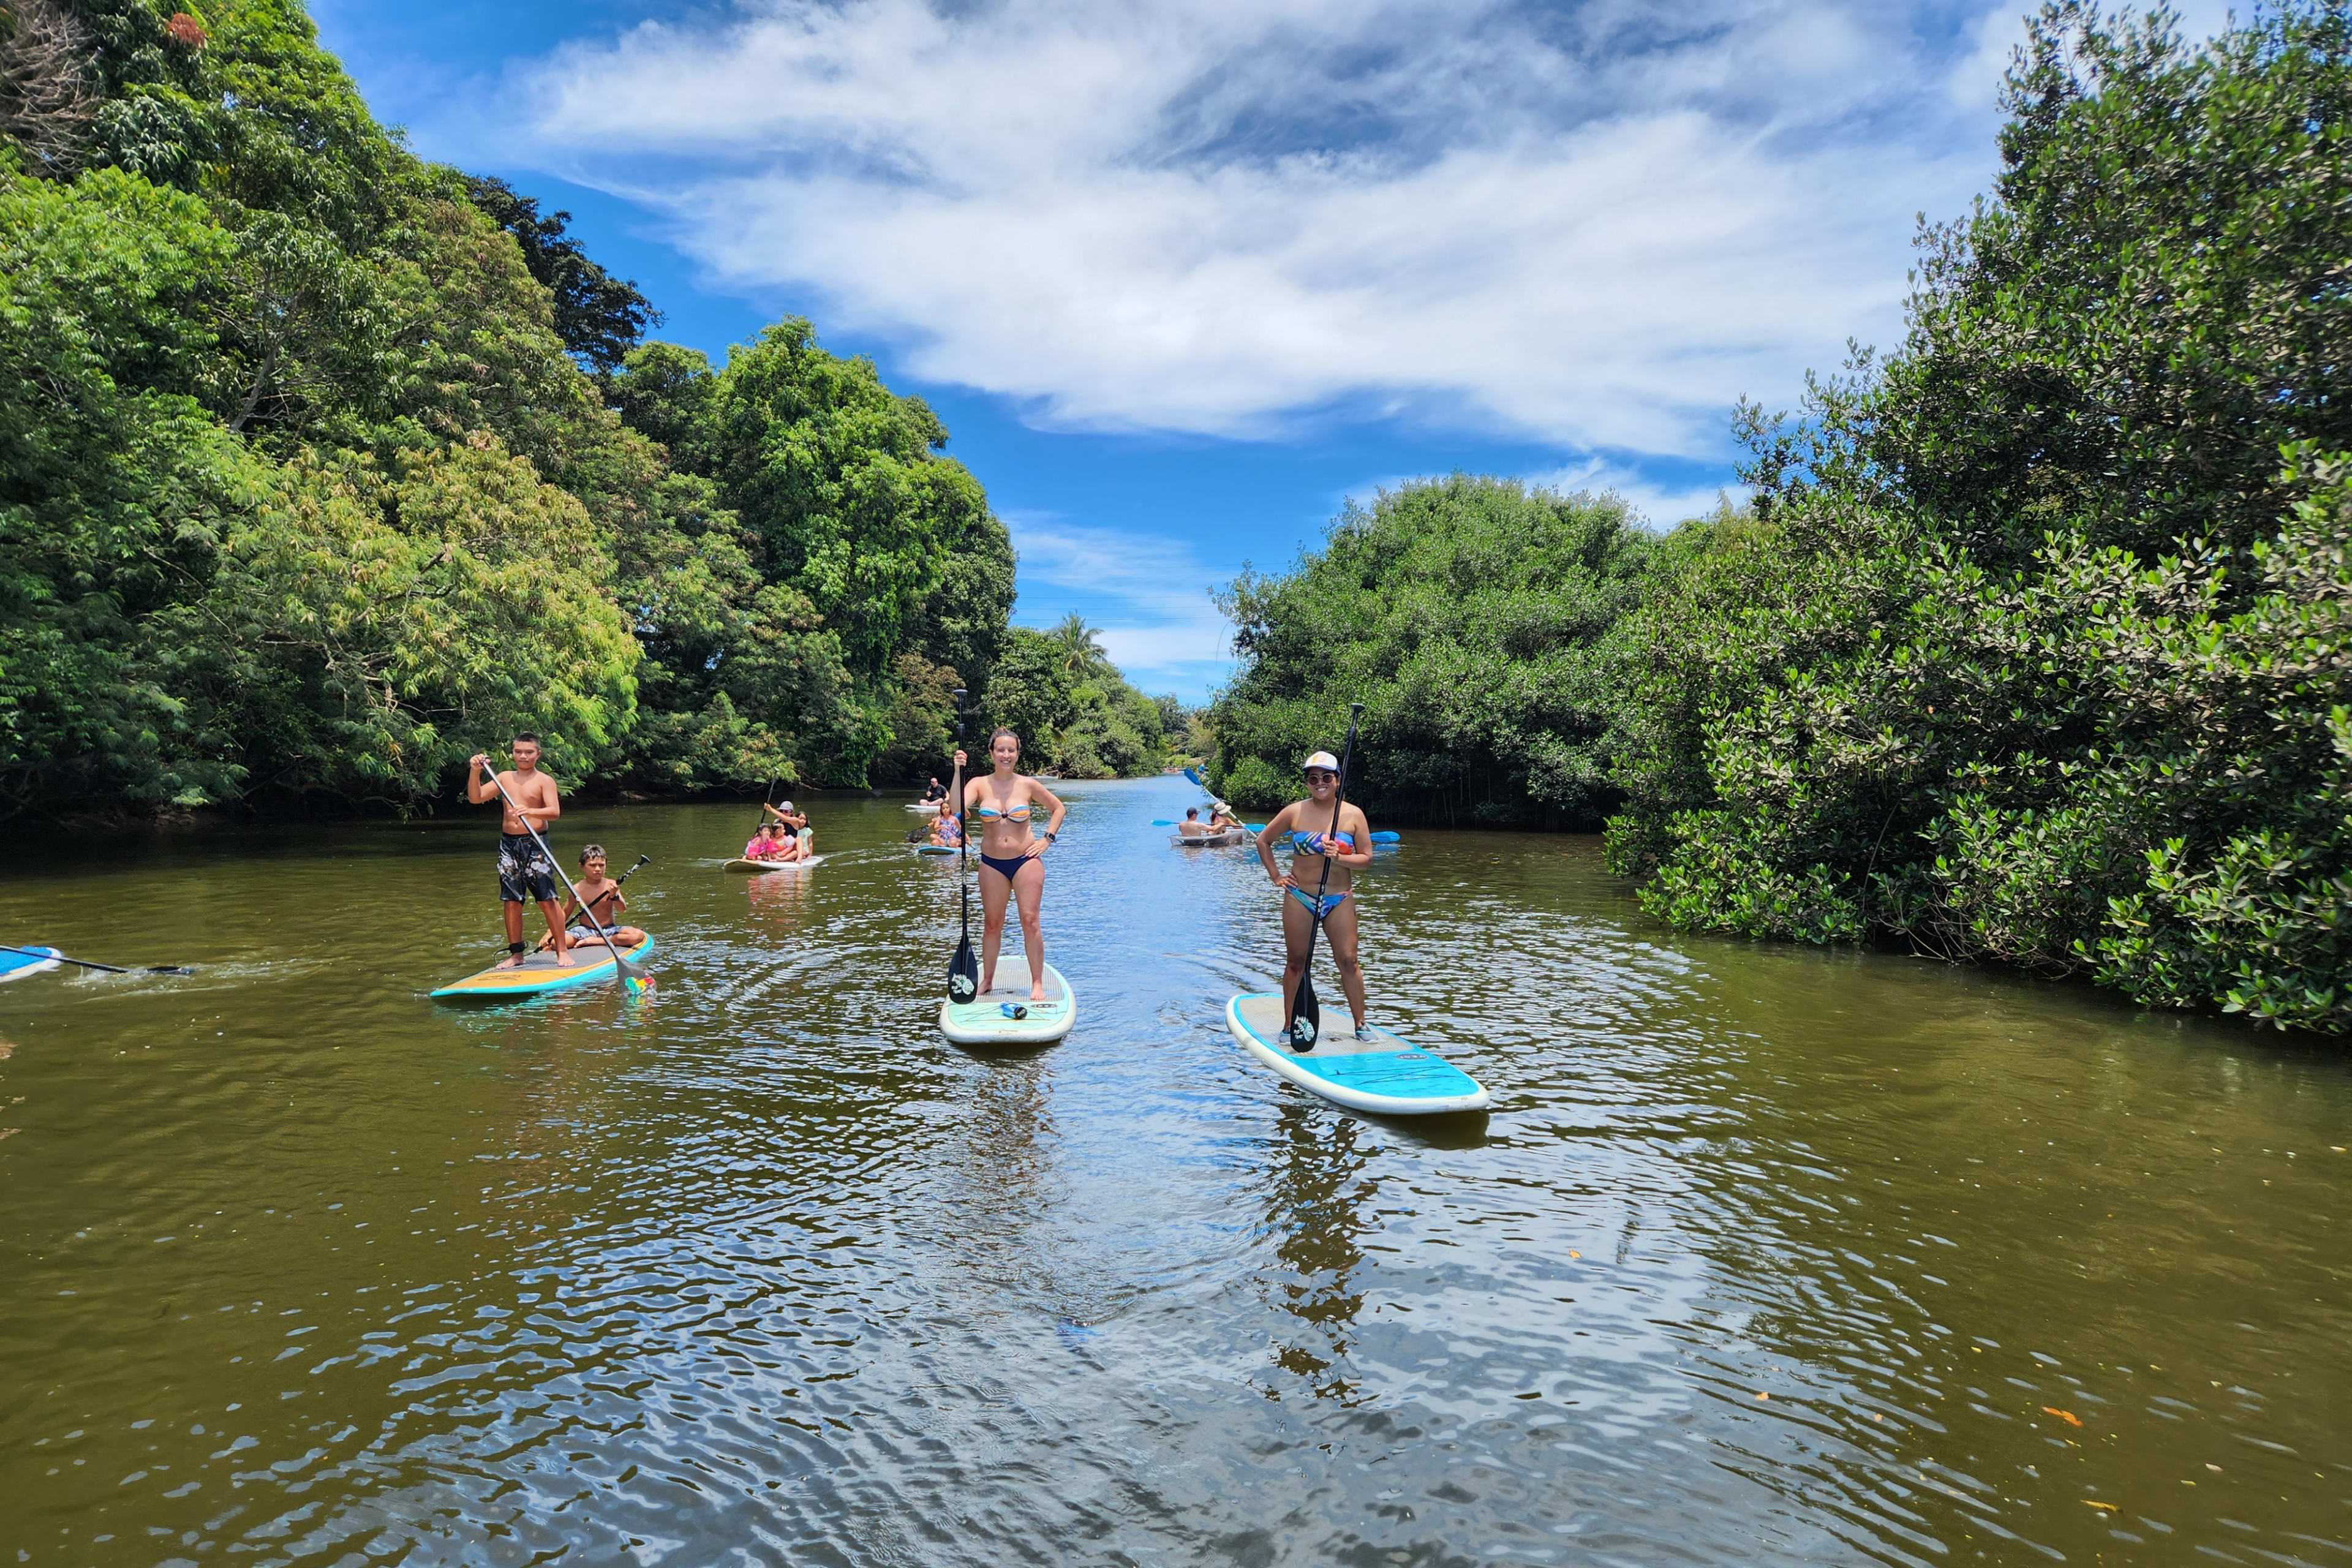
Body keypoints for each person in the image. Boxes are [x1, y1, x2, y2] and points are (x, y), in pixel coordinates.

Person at [1254, 748, 1374, 1042]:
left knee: (1348, 961)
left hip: (1339, 899)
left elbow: (1367, 858)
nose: (1320, 782)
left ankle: (1360, 1024)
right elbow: (1263, 840)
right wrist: (1276, 876)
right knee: (1296, 962)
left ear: (1337, 779)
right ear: (1307, 782)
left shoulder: (1353, 814)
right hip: (1300, 897)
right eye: (1312, 778)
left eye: (1326, 777)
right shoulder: (1295, 811)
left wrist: (1342, 858)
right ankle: (1289, 1025)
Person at [953, 729, 1067, 1001]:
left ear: (1017, 753)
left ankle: (1037, 983)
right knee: (993, 924)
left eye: (1011, 750)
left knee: (1030, 921)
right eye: (1001, 750)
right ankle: (988, 980)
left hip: (1026, 861)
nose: (1006, 755)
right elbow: (955, 806)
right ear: (991, 753)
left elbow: (1058, 808)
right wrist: (958, 771)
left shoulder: (1027, 784)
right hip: (992, 864)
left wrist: (1047, 840)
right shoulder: (979, 784)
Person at [467, 733, 570, 969]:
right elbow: (476, 798)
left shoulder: (545, 780)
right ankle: (516, 954)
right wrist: (475, 771)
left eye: (529, 752)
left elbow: (554, 813)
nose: (523, 756)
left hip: (536, 844)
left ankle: (562, 951)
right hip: (509, 845)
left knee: (547, 899)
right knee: (512, 900)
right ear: (512, 753)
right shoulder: (503, 777)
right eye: (518, 752)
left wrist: (531, 812)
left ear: (538, 754)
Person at [545, 845, 644, 950]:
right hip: (584, 930)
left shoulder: (611, 885)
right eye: (592, 865)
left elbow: (622, 909)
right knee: (556, 943)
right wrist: (550, 932)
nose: (598, 869)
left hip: (609, 929)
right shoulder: (577, 889)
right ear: (581, 866)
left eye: (602, 865)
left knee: (638, 935)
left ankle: (597, 941)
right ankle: (591, 940)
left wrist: (613, 896)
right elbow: (564, 913)